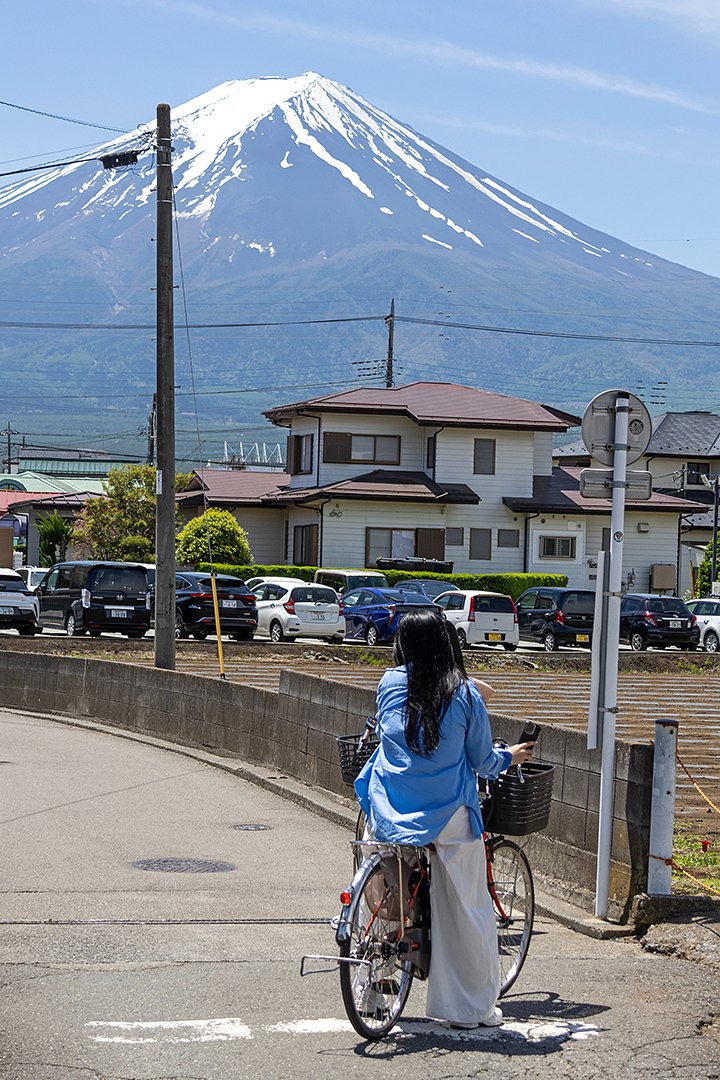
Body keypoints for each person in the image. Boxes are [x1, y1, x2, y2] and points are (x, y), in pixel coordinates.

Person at [354, 609, 534, 1029]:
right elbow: (484, 761)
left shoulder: (389, 684)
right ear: (446, 644)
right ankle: (468, 1009)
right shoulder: (466, 694)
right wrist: (511, 757)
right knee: (466, 907)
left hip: (390, 808)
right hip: (447, 814)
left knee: (380, 888)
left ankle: (373, 990)